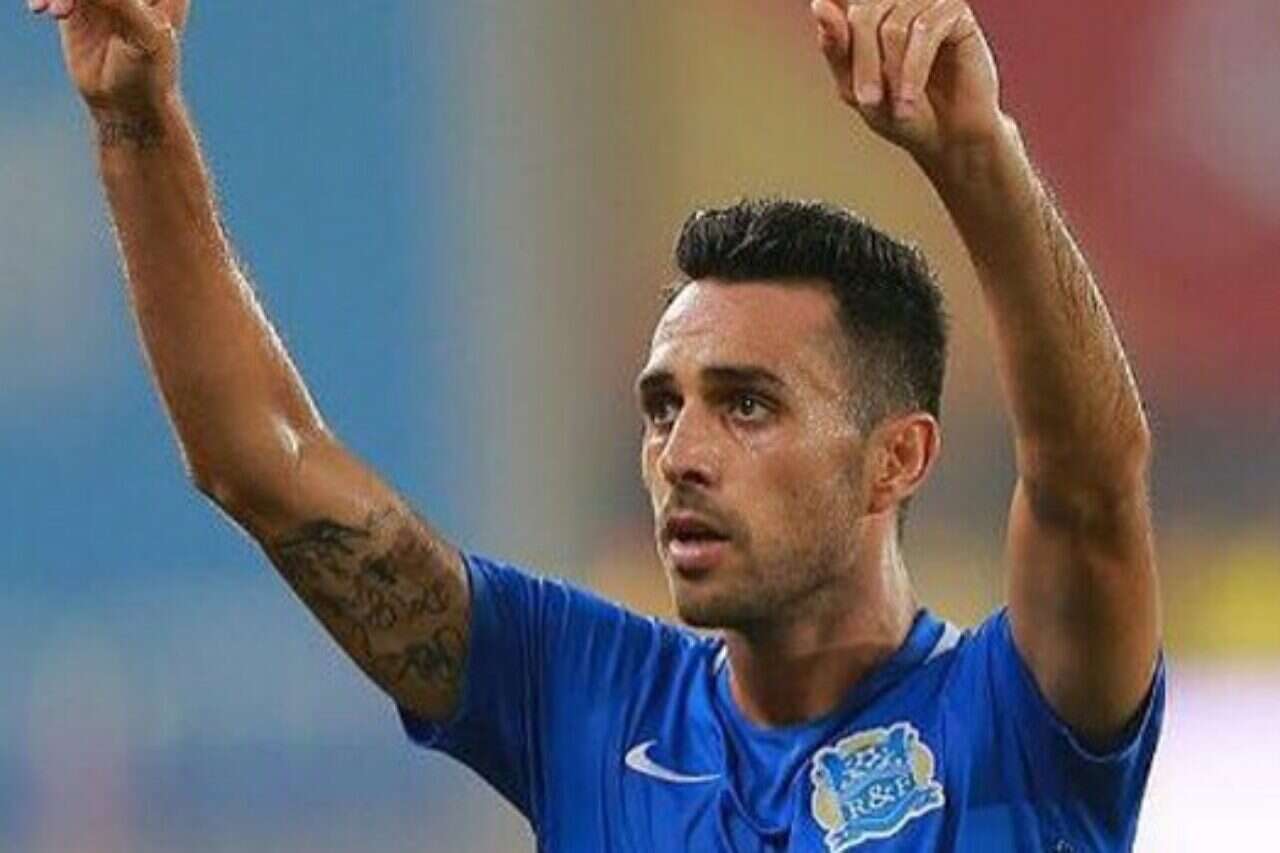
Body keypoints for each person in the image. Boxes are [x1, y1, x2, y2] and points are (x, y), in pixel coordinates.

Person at [30, 0, 1164, 849]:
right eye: (663, 407)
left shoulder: (1020, 719)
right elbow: (262, 463)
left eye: (747, 405)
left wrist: (975, 156)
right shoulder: (581, 695)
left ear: (895, 459)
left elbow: (1089, 478)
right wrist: (135, 113)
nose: (681, 454)